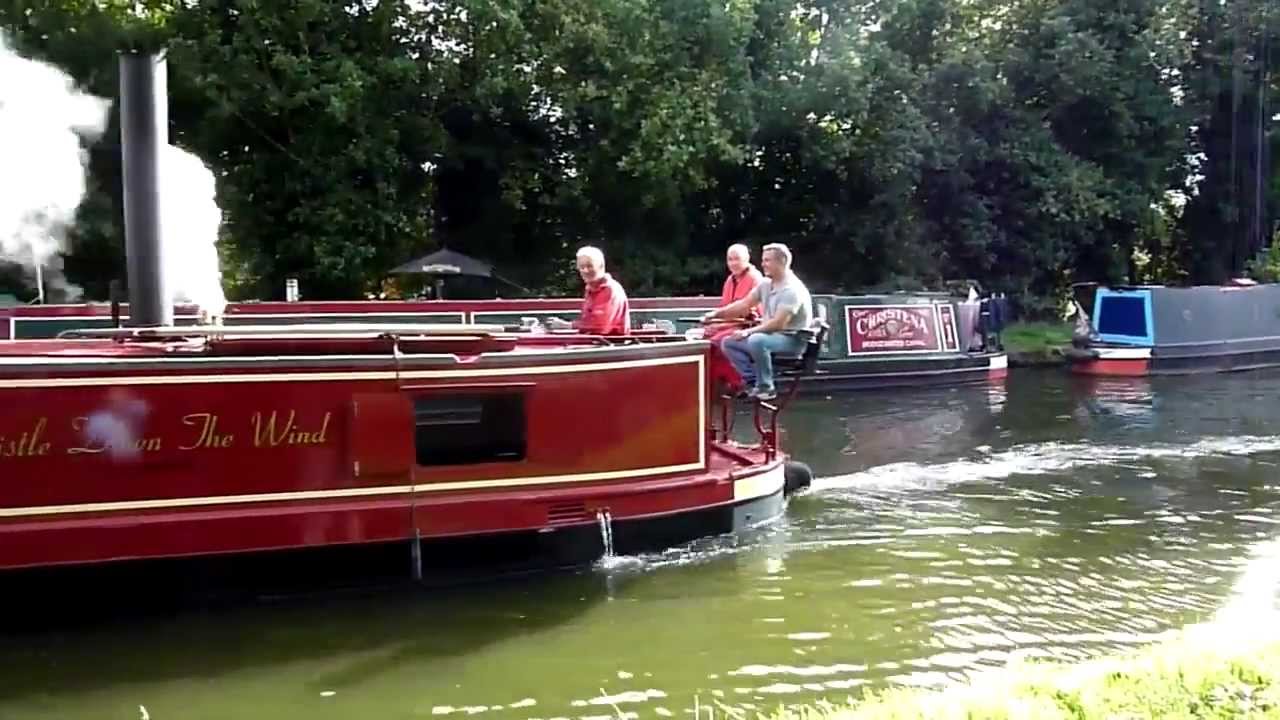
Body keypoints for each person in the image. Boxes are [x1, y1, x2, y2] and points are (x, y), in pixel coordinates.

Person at [703, 242, 812, 400]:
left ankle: (767, 387)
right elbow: (744, 304)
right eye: (763, 260)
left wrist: (747, 331)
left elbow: (778, 324)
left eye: (767, 260)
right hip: (771, 336)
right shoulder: (766, 285)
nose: (762, 264)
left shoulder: (792, 290)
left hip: (792, 340)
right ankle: (752, 382)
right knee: (728, 342)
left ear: (781, 262)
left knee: (756, 340)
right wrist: (714, 315)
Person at [703, 244, 764, 391]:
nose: (733, 263)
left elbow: (746, 313)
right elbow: (725, 308)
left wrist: (719, 325)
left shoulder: (755, 279)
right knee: (703, 337)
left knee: (715, 342)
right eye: (730, 259)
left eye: (737, 259)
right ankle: (713, 383)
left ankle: (738, 382)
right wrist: (714, 324)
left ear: (747, 259)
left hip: (749, 326)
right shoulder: (730, 280)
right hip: (732, 324)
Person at [546, 245, 631, 335]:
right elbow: (589, 323)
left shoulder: (609, 289)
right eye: (581, 267)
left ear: (601, 266)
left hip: (611, 345)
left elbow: (599, 327)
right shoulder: (591, 288)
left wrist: (567, 325)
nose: (585, 271)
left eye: (590, 266)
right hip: (595, 342)